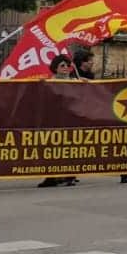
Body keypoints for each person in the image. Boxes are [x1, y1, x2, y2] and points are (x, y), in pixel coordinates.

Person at [38, 55, 80, 188]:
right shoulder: (48, 82)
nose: (66, 68)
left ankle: (70, 176)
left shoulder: (75, 82)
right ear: (55, 68)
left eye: (68, 66)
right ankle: (51, 176)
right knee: (51, 149)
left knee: (70, 149)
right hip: (54, 120)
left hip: (70, 120)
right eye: (62, 66)